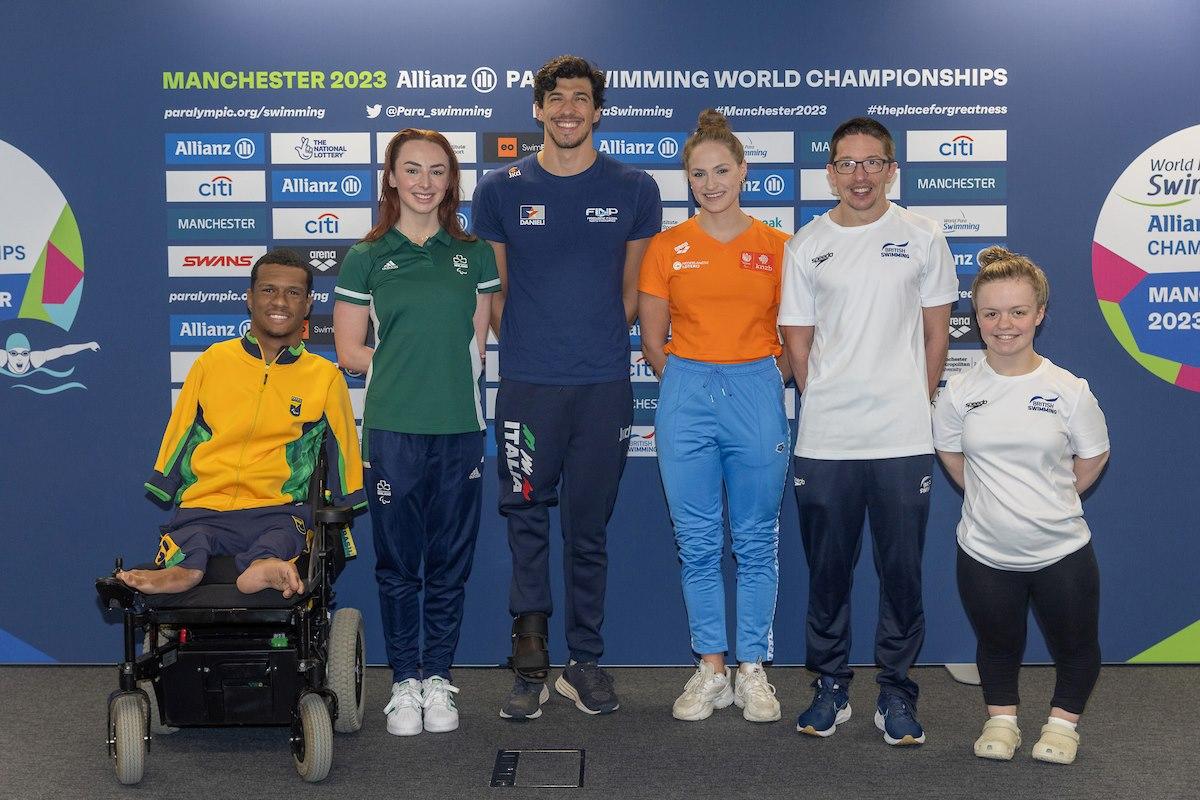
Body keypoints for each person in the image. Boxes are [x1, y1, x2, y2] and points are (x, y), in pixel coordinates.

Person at [471, 54, 662, 720]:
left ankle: (585, 663)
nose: (568, 109)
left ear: (597, 110)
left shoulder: (635, 187)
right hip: (527, 388)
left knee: (588, 531)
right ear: (538, 108)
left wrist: (586, 346)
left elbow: (632, 294)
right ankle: (530, 658)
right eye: (556, 98)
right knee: (525, 523)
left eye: (580, 98)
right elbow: (493, 294)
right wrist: (535, 349)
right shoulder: (499, 190)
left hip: (603, 386)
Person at [779, 117, 957, 745]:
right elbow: (797, 341)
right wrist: (826, 395)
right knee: (828, 572)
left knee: (901, 571)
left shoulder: (923, 235)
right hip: (826, 438)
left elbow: (937, 332)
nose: (859, 175)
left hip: (903, 437)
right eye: (847, 164)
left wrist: (916, 397)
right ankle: (830, 686)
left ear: (890, 168)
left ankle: (896, 693)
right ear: (831, 171)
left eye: (872, 162)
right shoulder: (806, 243)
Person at [334, 128, 499, 736]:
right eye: (413, 169)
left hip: (460, 428)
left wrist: (440, 370)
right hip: (394, 429)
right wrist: (402, 367)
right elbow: (350, 348)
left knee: (450, 562)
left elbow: (477, 344)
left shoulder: (474, 253)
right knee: (399, 563)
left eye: (437, 170)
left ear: (450, 180)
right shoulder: (366, 256)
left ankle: (438, 678)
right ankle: (404, 681)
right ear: (392, 179)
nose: (425, 182)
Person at [638, 110, 791, 723]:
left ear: (743, 171)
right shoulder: (666, 247)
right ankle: (711, 667)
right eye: (698, 174)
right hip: (686, 389)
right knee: (697, 541)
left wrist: (758, 378)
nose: (711, 183)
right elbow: (653, 342)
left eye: (721, 170)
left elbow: (797, 335)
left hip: (757, 384)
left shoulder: (780, 246)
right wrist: (693, 380)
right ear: (688, 180)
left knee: (756, 539)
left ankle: (753, 667)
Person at [933, 247, 1109, 765]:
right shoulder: (959, 392)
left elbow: (1094, 454)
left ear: (1039, 315)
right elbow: (950, 450)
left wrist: (1053, 500)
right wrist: (991, 499)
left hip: (1063, 550)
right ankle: (1002, 720)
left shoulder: (1068, 391)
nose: (1003, 324)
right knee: (996, 645)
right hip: (984, 551)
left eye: (1017, 311)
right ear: (977, 318)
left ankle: (1062, 726)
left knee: (1077, 647)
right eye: (991, 313)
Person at [117, 248, 365, 599]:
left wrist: (347, 498)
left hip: (277, 508)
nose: (280, 301)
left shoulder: (323, 377)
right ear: (249, 298)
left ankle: (262, 564)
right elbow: (181, 430)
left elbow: (342, 445)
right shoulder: (213, 362)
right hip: (206, 504)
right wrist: (164, 480)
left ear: (308, 304)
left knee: (283, 537)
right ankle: (183, 571)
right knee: (192, 537)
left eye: (293, 293)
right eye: (268, 290)